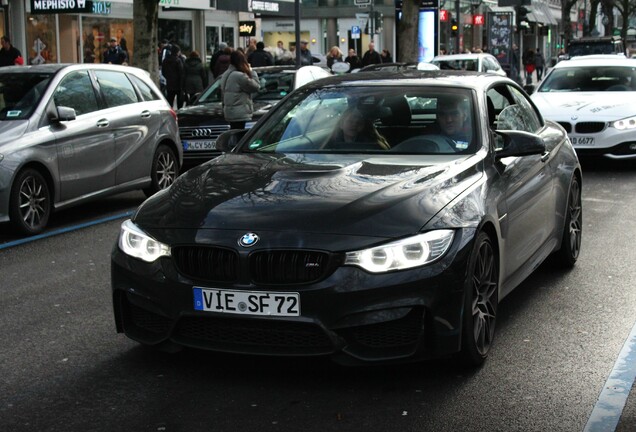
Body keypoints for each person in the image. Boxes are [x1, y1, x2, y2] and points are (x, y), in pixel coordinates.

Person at [219, 50, 260, 129]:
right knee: (240, 135)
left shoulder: (225, 74)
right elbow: (256, 86)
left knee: (234, 134)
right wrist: (252, 72)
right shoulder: (240, 76)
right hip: (240, 113)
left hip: (229, 111)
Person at [325, 107, 390, 150]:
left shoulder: (373, 144)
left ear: (364, 126)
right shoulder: (330, 142)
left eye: (359, 122)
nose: (354, 125)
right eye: (350, 121)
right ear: (341, 124)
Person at [162, 43, 185, 108]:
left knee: (170, 101)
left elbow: (163, 72)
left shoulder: (165, 60)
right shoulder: (178, 61)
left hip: (169, 84)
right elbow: (181, 73)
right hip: (178, 85)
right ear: (177, 52)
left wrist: (168, 78)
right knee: (180, 102)